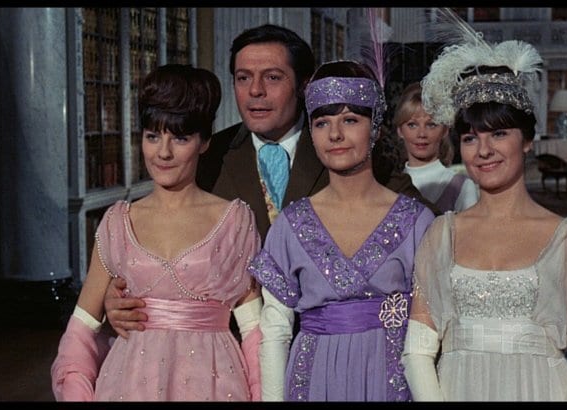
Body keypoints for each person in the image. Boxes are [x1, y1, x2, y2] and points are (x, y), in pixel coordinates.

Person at [103, 24, 438, 339]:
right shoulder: (206, 155)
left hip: (326, 343)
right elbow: (155, 236)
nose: (255, 91)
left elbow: (427, 229)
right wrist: (119, 294)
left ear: (304, 86)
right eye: (243, 78)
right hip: (230, 351)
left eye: (272, 77)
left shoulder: (344, 149)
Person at [400, 11, 567, 402]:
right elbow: (417, 351)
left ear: (527, 140)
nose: (483, 150)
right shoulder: (441, 234)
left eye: (498, 133)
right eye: (470, 138)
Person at [50, 64, 263, 401]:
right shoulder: (118, 223)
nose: (163, 152)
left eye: (180, 138)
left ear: (204, 141)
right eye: (152, 136)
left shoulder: (235, 221)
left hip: (216, 385)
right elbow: (80, 331)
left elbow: (254, 330)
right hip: (128, 385)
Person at [248, 60, 436, 402]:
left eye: (350, 120)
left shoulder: (416, 222)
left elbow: (430, 334)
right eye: (322, 123)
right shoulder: (290, 225)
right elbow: (274, 333)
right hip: (313, 382)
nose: (335, 135)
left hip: (392, 383)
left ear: (375, 128)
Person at [394, 82, 479, 213]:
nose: (421, 134)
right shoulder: (391, 185)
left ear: (444, 131)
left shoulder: (461, 187)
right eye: (412, 125)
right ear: (400, 131)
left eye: (431, 125)